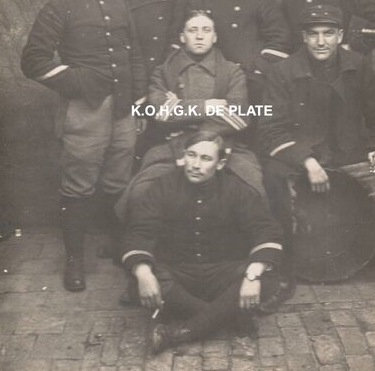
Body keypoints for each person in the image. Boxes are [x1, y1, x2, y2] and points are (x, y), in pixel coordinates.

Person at [21, 0, 147, 292]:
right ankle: (74, 260)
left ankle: (119, 245)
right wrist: (79, 81)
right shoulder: (59, 7)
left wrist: (138, 100)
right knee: (78, 186)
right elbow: (33, 61)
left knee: (119, 180)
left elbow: (135, 54)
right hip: (84, 112)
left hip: (123, 110)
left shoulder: (121, 6)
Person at [259, 4, 375, 295]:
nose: (321, 41)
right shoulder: (282, 72)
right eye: (313, 34)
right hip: (297, 158)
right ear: (304, 37)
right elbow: (271, 129)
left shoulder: (357, 65)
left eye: (328, 33)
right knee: (272, 186)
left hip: (350, 154)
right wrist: (307, 161)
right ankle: (280, 268)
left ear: (340, 35)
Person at [121, 131, 284, 353]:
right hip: (178, 273)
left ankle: (180, 332)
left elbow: (265, 229)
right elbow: (139, 231)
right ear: (183, 156)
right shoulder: (162, 186)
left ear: (220, 163)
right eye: (191, 155)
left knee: (268, 277)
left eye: (206, 158)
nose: (195, 165)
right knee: (139, 280)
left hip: (222, 273)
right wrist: (143, 274)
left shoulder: (236, 189)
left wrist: (253, 276)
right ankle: (230, 316)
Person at [115, 9, 266, 221]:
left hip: (223, 146)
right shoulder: (163, 72)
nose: (199, 36)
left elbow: (239, 117)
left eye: (206, 30)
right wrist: (209, 106)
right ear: (182, 37)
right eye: (193, 30)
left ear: (214, 37)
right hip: (173, 145)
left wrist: (180, 108)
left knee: (252, 187)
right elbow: (160, 112)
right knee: (141, 192)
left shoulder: (232, 71)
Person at [190, 0, 290, 103]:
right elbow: (191, 44)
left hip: (254, 81)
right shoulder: (197, 1)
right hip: (213, 83)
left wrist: (259, 68)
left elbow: (280, 38)